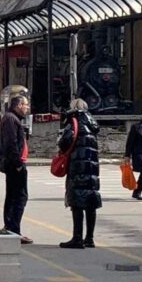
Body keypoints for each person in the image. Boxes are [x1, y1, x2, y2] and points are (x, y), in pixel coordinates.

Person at [58, 99, 101, 249]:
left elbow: (65, 142)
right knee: (90, 204)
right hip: (92, 168)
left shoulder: (74, 122)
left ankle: (77, 238)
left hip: (77, 167)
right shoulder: (92, 123)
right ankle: (89, 238)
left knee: (77, 203)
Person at [0, 95, 32, 245]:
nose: (27, 108)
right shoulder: (10, 119)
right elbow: (11, 144)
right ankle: (13, 230)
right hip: (14, 165)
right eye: (26, 105)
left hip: (15, 164)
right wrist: (18, 164)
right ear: (19, 105)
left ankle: (11, 229)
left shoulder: (12, 118)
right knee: (19, 198)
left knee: (14, 197)